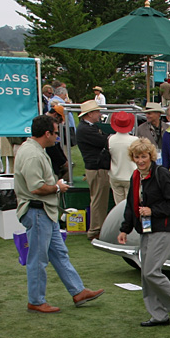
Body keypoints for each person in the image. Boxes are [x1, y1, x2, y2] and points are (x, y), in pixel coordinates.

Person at [14, 115, 104, 314]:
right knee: (38, 259)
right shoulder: (33, 154)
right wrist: (57, 187)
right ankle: (36, 300)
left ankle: (78, 291)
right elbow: (36, 188)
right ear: (47, 133)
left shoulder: (35, 150)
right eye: (55, 133)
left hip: (45, 212)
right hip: (38, 211)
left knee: (59, 254)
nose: (56, 137)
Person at [115, 138, 170, 327]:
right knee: (145, 274)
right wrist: (125, 229)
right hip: (146, 229)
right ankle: (158, 315)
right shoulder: (136, 176)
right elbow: (131, 205)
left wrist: (152, 211)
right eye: (137, 156)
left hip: (163, 228)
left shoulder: (161, 174)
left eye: (144, 156)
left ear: (151, 156)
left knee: (151, 272)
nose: (140, 160)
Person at [76, 99, 111, 241]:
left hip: (96, 167)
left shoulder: (87, 127)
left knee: (98, 199)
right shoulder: (86, 129)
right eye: (97, 111)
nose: (99, 114)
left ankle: (98, 228)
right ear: (90, 114)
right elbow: (104, 141)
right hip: (96, 168)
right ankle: (96, 230)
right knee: (98, 200)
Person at [107, 111, 136, 205]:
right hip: (130, 176)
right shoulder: (135, 140)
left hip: (115, 175)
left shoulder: (110, 139)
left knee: (119, 205)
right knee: (131, 205)